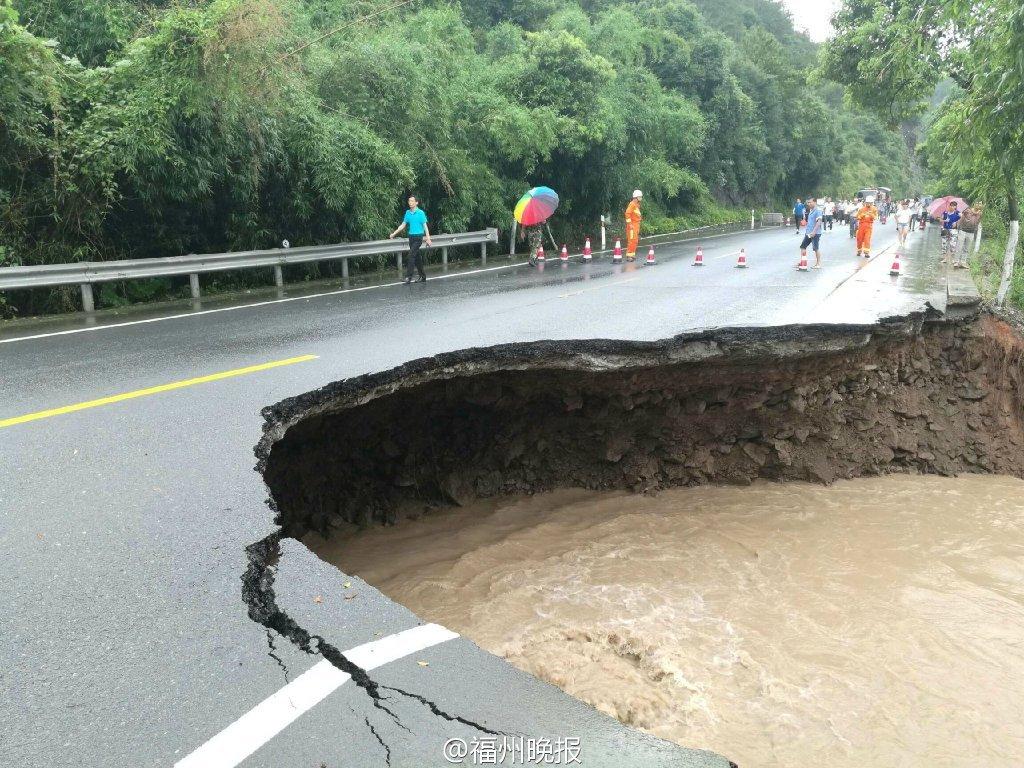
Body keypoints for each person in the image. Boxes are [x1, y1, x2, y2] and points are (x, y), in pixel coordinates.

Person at [390, 195, 432, 284]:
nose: (410, 203)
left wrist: (428, 238)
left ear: (416, 202)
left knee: (411, 256)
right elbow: (403, 225)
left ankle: (408, 277)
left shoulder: (420, 213)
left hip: (418, 237)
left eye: (412, 201)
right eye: (409, 201)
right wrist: (394, 233)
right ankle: (423, 276)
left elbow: (425, 226)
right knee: (417, 258)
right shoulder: (408, 213)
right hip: (411, 237)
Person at [797, 198, 824, 269]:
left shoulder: (818, 210)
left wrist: (814, 232)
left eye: (810, 202)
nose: (809, 204)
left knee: (816, 248)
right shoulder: (811, 210)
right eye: (808, 203)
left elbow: (819, 222)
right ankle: (803, 262)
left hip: (815, 233)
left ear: (814, 202)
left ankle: (818, 264)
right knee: (803, 246)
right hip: (808, 233)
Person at [940, 200, 962, 265]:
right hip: (945, 229)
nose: (953, 207)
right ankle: (945, 258)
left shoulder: (957, 213)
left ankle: (953, 259)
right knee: (944, 244)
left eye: (954, 206)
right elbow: (940, 220)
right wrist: (944, 220)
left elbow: (963, 217)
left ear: (956, 207)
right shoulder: (945, 212)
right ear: (949, 206)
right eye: (951, 205)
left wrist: (956, 222)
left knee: (953, 245)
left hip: (953, 230)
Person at [625, 190, 643, 262]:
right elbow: (627, 214)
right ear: (636, 197)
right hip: (632, 226)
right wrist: (630, 224)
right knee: (632, 240)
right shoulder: (632, 204)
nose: (641, 198)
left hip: (636, 225)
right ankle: (629, 255)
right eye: (640, 197)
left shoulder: (636, 205)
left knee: (635, 240)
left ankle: (632, 254)